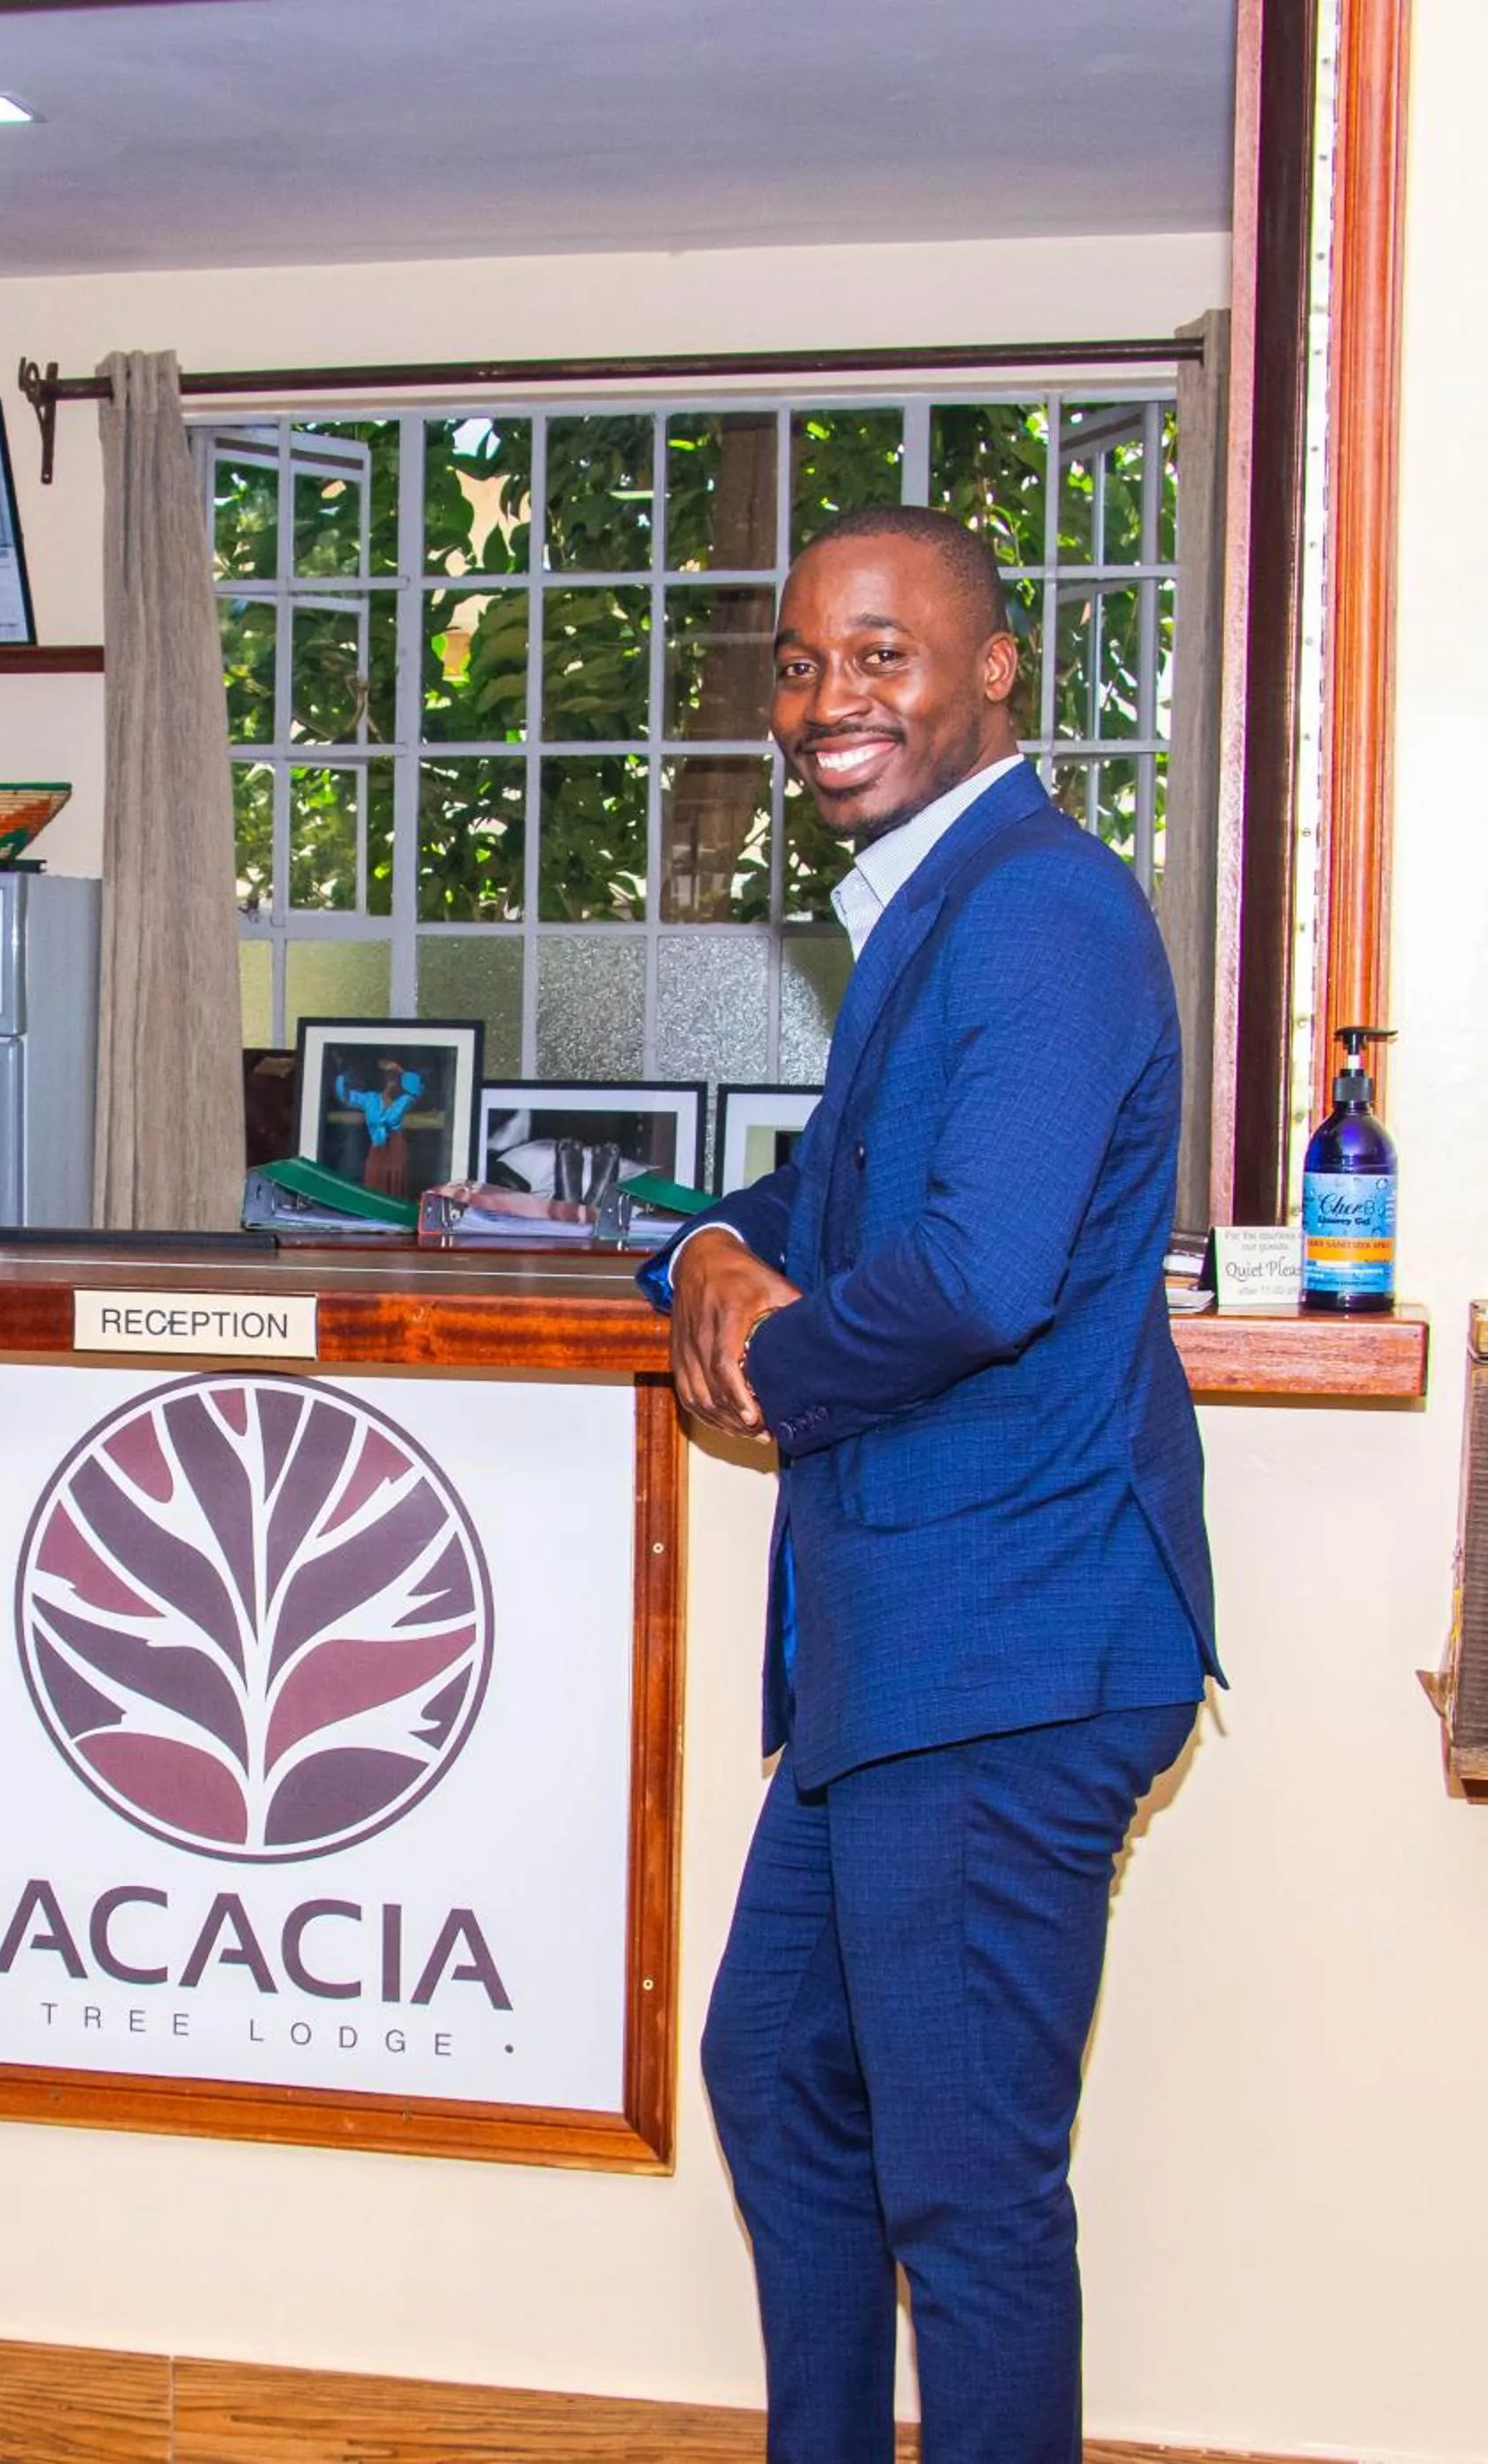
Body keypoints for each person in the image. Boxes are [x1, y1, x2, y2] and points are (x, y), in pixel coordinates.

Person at [643, 506, 1218, 2461]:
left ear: (995, 670)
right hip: (915, 1650)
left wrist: (769, 1371)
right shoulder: (933, 900)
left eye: (883, 652)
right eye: (802, 660)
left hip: (1012, 1638)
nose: (828, 697)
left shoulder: (1040, 906)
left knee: (969, 2195)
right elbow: (831, 1196)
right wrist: (703, 1254)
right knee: (782, 2070)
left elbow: (976, 1270)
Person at [334, 1057, 421, 1197]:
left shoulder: (406, 1099)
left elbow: (417, 1088)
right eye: (388, 1075)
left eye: (395, 1076)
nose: (391, 1079)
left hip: (397, 1153)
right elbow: (345, 1096)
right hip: (376, 1151)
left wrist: (401, 1070)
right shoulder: (370, 1099)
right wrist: (347, 1072)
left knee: (395, 1190)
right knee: (373, 1189)